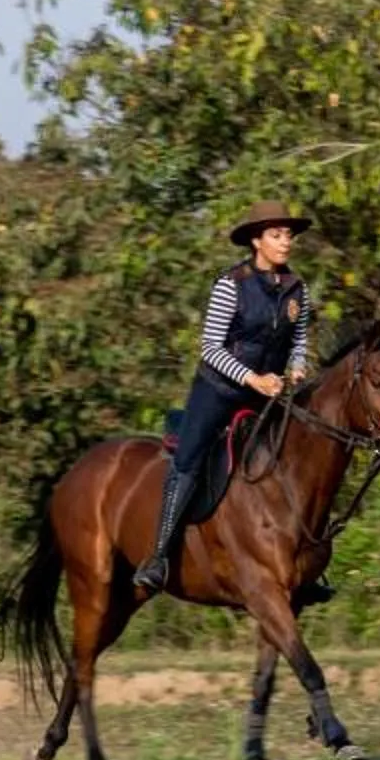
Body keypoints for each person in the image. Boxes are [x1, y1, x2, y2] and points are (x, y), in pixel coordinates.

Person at [134, 201, 316, 596]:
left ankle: (306, 565)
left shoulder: (297, 288)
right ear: (257, 241)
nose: (285, 242)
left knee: (302, 458)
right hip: (220, 392)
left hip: (270, 394)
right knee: (189, 461)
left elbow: (299, 339)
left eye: (288, 235)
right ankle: (159, 557)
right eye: (276, 235)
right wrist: (253, 378)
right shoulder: (230, 284)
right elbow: (210, 349)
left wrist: (298, 365)